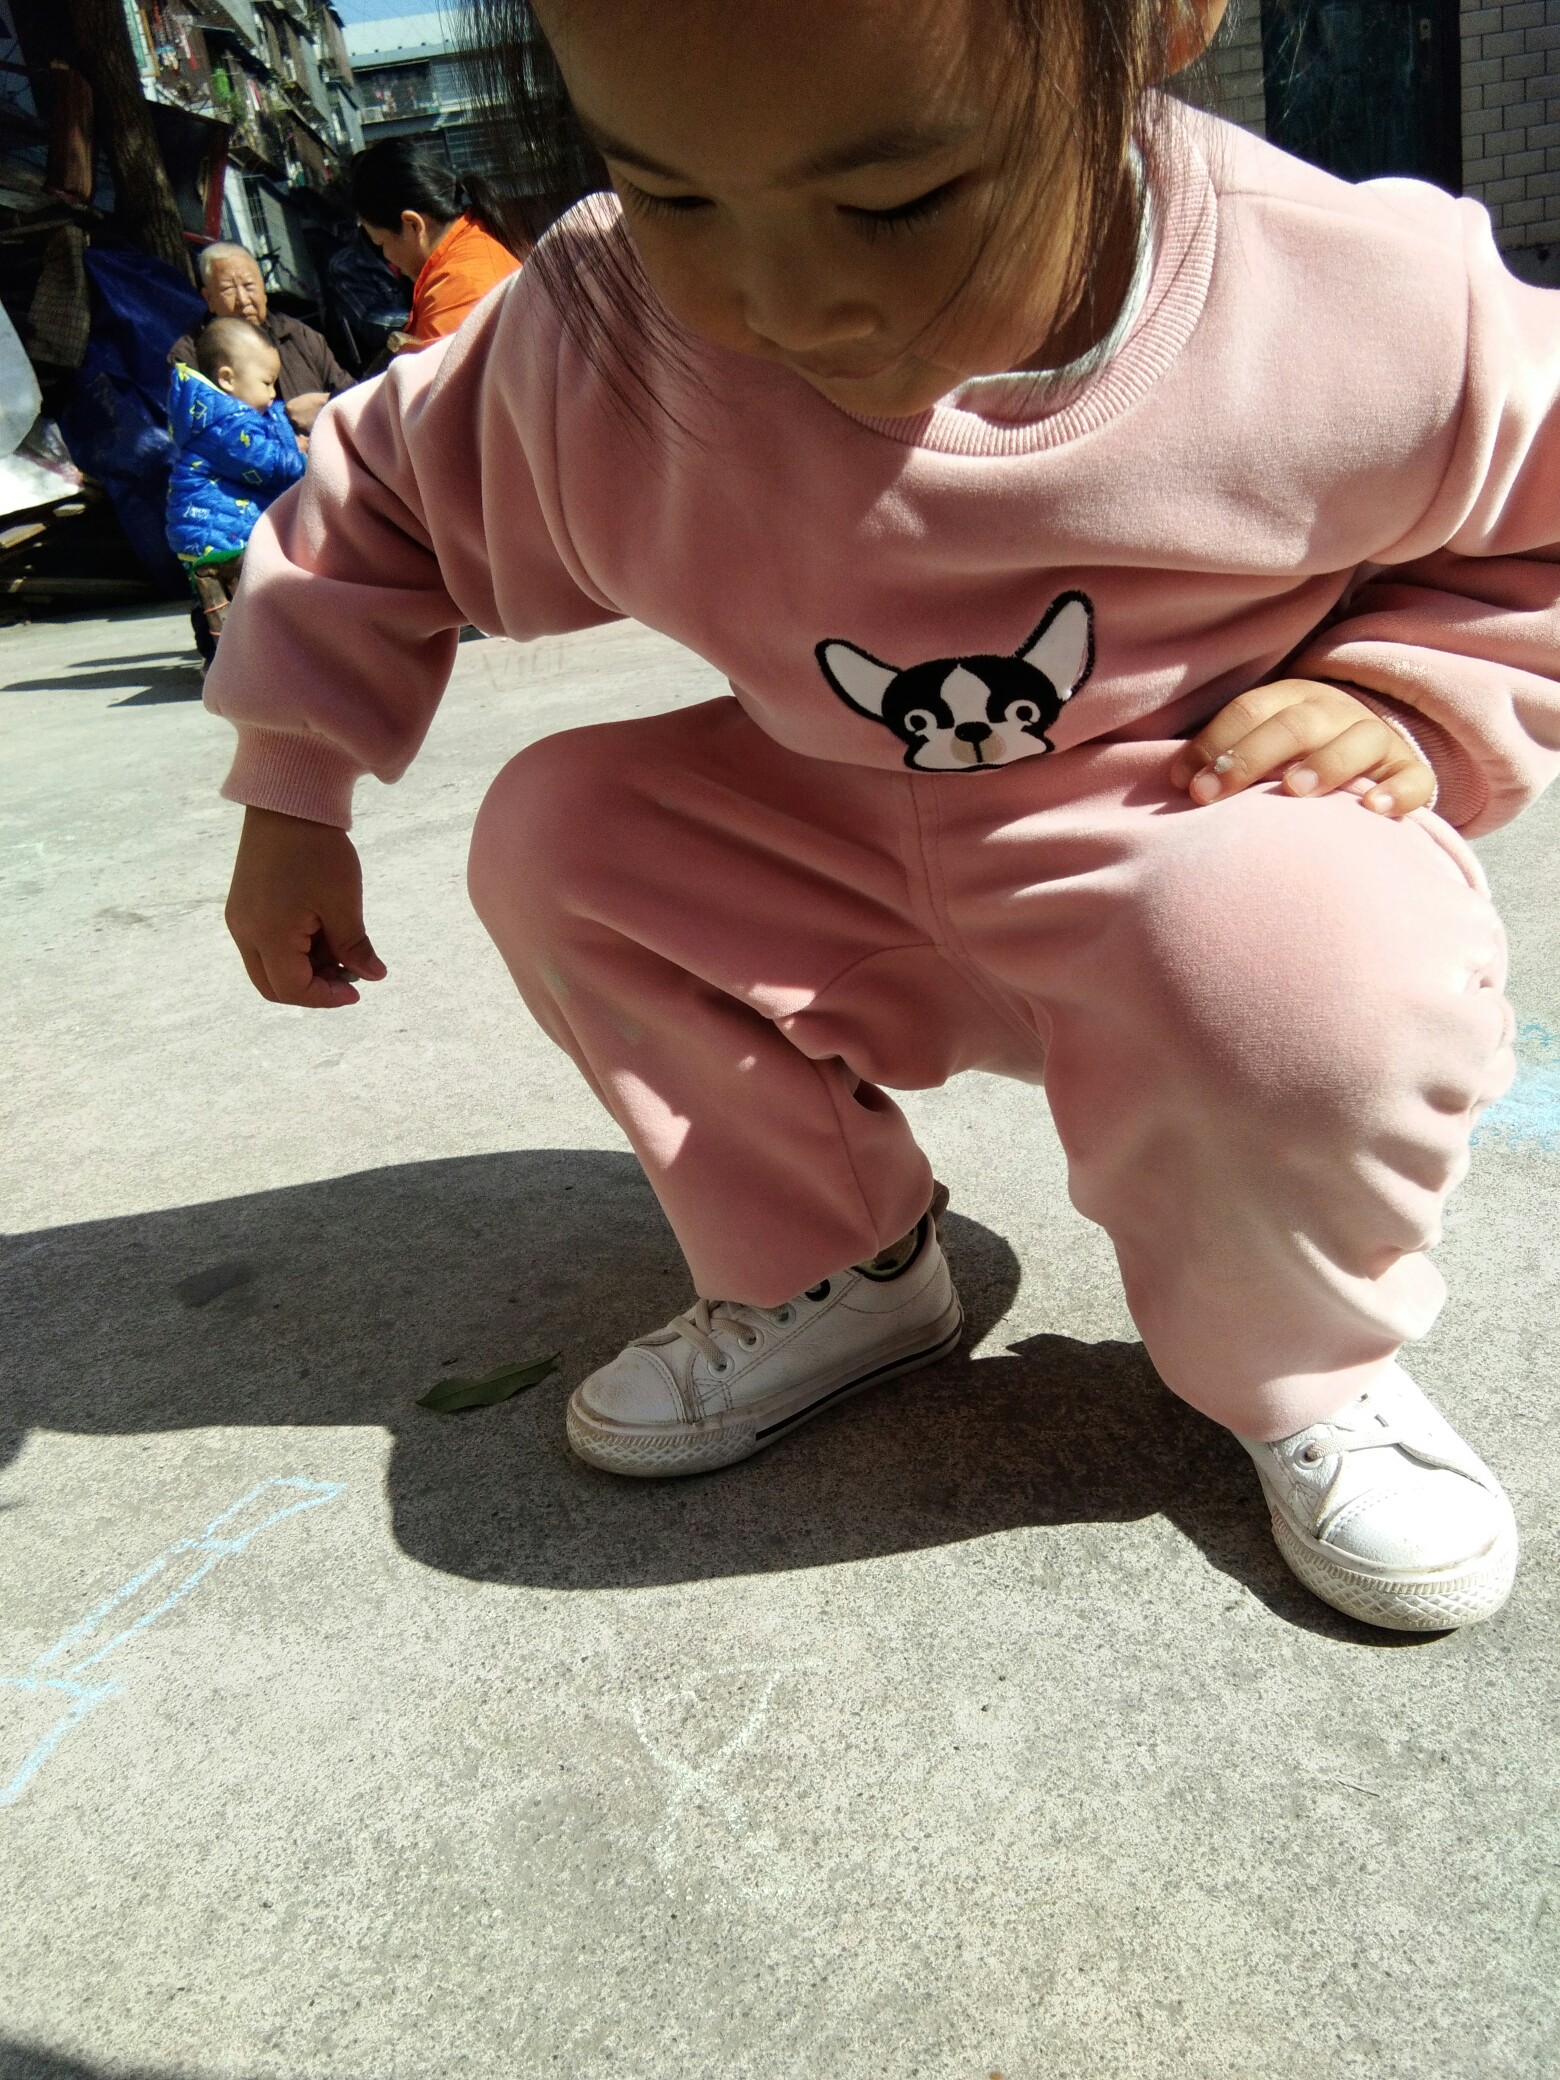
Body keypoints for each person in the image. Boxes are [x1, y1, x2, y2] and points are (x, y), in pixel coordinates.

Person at [207, 0, 1560, 1634]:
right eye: (673, 192)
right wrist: (295, 783)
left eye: (896, 201)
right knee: (563, 835)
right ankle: (833, 1263)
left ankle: (1300, 1360)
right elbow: (381, 503)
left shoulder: (1352, 299)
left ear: (1155, 24)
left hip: (1189, 819)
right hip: (817, 829)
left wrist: (1403, 690)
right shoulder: (609, 325)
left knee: (1313, 963)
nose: (784, 300)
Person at [166, 317, 305, 652]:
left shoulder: (230, 415)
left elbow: (270, 432)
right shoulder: (225, 424)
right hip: (215, 531)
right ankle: (223, 653)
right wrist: (310, 459)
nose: (273, 394)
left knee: (230, 600)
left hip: (219, 524)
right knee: (247, 593)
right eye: (267, 383)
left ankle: (223, 646)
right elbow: (269, 463)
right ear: (227, 378)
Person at [347, 137, 523, 352]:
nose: (385, 256)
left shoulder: (453, 293)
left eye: (381, 243)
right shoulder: (479, 239)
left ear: (413, 224)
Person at [168, 243, 352, 438]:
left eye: (249, 286)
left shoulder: (299, 336)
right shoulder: (189, 356)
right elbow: (203, 432)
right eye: (228, 289)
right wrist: (286, 432)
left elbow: (349, 393)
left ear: (263, 289)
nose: (243, 300)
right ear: (209, 299)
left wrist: (325, 403)